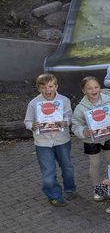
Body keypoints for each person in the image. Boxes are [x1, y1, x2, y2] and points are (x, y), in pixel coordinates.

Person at [71, 76, 110, 201]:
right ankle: (98, 190)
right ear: (84, 91)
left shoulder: (109, 101)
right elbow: (75, 124)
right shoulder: (81, 107)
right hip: (91, 140)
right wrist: (83, 131)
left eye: (96, 87)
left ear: (99, 88)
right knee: (95, 164)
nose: (93, 90)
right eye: (89, 88)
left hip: (108, 137)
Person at [25, 73, 76, 207]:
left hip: (62, 140)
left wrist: (66, 122)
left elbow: (69, 116)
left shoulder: (64, 100)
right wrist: (32, 125)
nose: (47, 90)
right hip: (43, 143)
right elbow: (27, 121)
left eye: (50, 86)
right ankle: (54, 195)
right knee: (48, 172)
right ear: (38, 89)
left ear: (56, 86)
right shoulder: (34, 104)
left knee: (67, 167)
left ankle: (70, 189)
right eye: (43, 87)